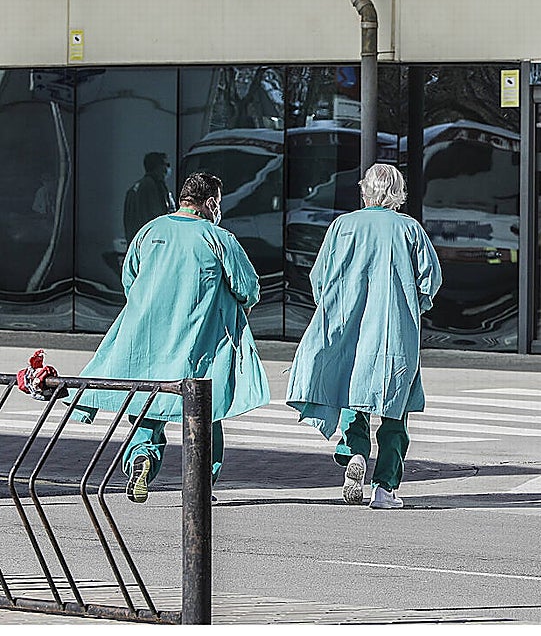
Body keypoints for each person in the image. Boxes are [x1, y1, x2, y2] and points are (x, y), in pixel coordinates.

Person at [72, 171, 270, 502]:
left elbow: (130, 281)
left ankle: (141, 458)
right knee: (207, 411)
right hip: (200, 343)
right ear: (210, 203)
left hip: (149, 340)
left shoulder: (149, 232)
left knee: (150, 403)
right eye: (218, 204)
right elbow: (248, 288)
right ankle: (201, 483)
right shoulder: (218, 238)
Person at [286, 163, 442, 510]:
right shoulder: (409, 230)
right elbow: (430, 280)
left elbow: (320, 278)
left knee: (352, 394)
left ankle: (355, 451)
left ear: (365, 190)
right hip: (393, 331)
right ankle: (384, 488)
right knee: (393, 410)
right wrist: (413, 305)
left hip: (348, 325)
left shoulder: (343, 226)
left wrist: (334, 306)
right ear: (398, 193)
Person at [123, 152, 176, 244]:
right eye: (166, 165)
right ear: (158, 167)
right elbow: (157, 217)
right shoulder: (151, 187)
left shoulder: (137, 187)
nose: (167, 169)